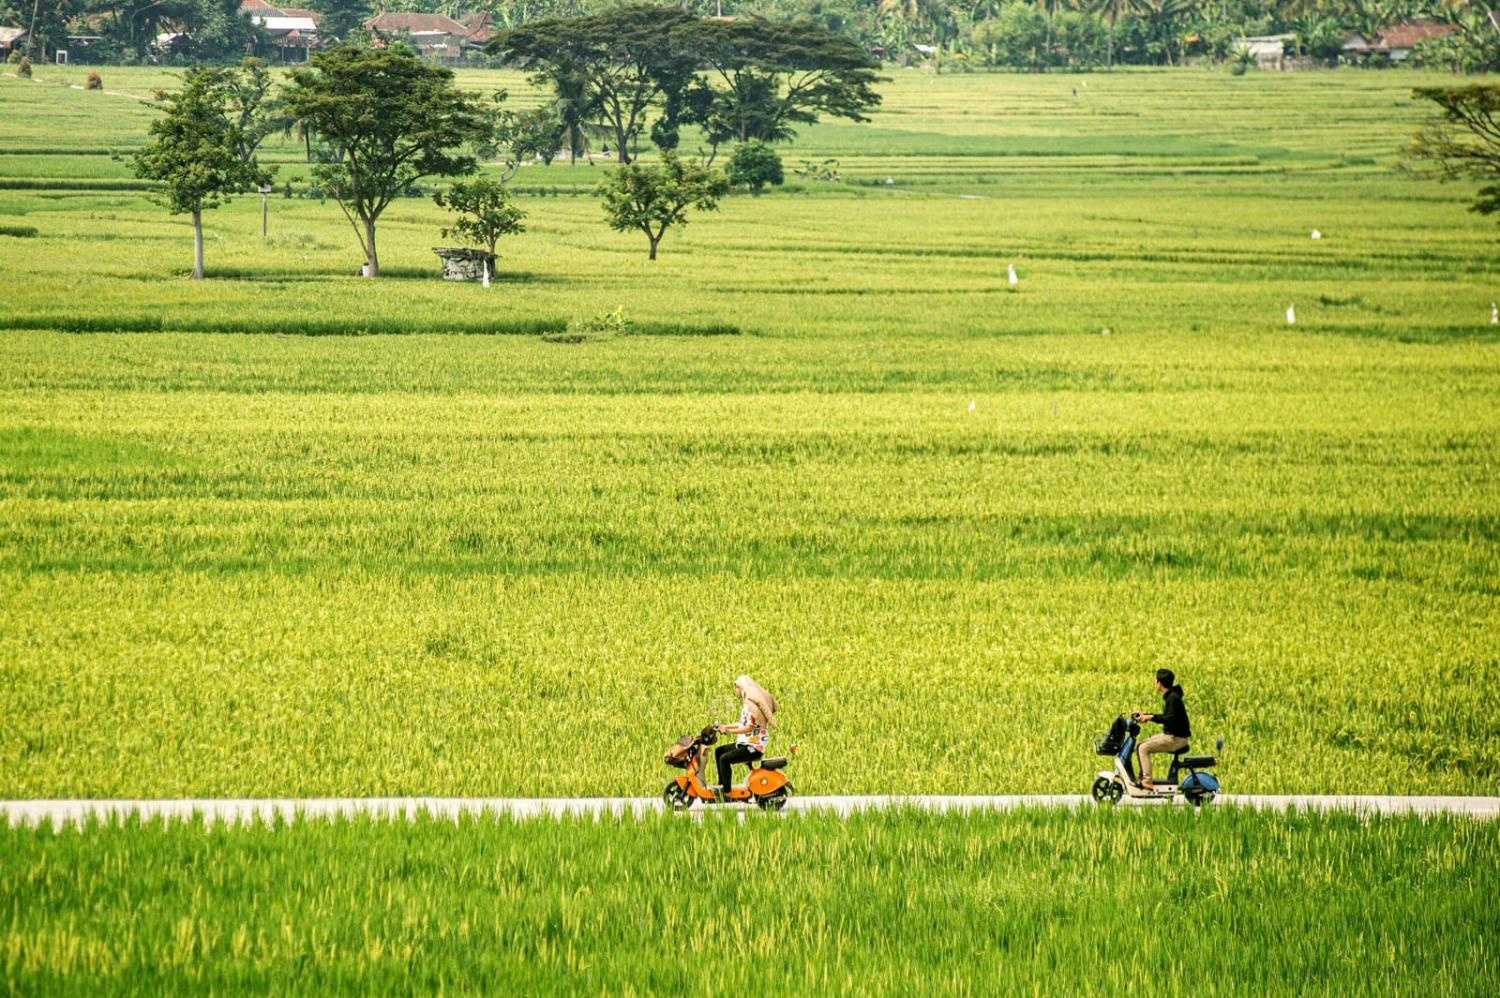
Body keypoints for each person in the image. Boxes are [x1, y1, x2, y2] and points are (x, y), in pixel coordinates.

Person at [713, 675, 777, 797]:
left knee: (724, 759)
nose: (735, 690)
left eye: (736, 687)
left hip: (753, 748)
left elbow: (748, 727)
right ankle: (722, 785)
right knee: (719, 751)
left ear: (742, 688)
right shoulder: (747, 705)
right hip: (745, 743)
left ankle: (726, 793)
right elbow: (741, 724)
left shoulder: (751, 707)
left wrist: (729, 731)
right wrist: (725, 726)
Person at [1133, 669, 1190, 790]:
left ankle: (1147, 781)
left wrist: (1150, 717)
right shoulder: (1172, 696)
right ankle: (1142, 777)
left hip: (1176, 739)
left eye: (1155, 680)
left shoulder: (1173, 698)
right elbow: (1168, 716)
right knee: (1140, 744)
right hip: (1173, 736)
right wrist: (1146, 715)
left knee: (1143, 748)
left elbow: (1169, 719)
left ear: (1159, 683)